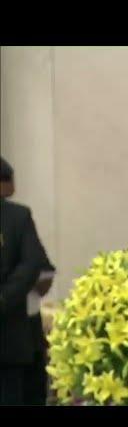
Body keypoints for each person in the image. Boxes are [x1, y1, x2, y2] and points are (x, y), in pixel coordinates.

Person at [0, 157, 52, 405]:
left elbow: (36, 265)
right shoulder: (17, 216)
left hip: (11, 338)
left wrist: (4, 297)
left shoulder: (16, 217)